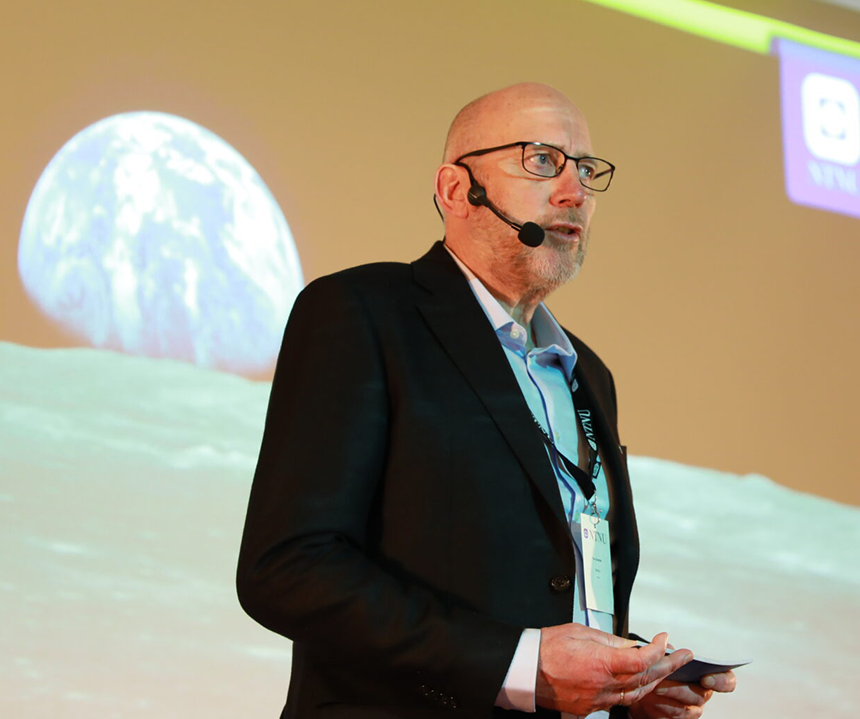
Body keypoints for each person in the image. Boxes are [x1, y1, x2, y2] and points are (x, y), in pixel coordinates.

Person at [236, 83, 736, 719]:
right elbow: (288, 569)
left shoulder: (590, 377)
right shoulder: (364, 313)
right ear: (455, 190)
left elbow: (552, 589)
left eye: (585, 169)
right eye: (541, 160)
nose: (574, 192)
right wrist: (518, 665)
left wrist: (627, 679)